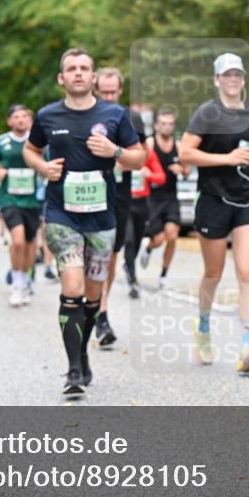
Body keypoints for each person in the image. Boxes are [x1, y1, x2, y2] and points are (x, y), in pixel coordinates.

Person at [24, 48, 145, 395]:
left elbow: (139, 158)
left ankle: (82, 355)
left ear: (93, 77)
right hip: (61, 213)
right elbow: (30, 150)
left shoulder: (115, 114)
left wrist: (116, 152)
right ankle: (74, 370)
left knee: (93, 295)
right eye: (71, 69)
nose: (78, 73)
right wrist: (42, 167)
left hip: (102, 217)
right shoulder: (48, 116)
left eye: (84, 68)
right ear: (62, 78)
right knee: (72, 288)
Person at [179, 52, 249, 372]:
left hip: (247, 200)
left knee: (246, 271)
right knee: (214, 273)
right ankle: (202, 328)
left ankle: (248, 343)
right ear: (217, 80)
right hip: (213, 200)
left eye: (238, 74)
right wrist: (227, 159)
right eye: (226, 75)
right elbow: (185, 152)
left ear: (243, 78)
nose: (233, 79)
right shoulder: (207, 113)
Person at [93, 67, 148, 345]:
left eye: (114, 91)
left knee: (109, 255)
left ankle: (101, 314)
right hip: (85, 193)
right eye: (104, 92)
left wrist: (118, 155)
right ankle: (87, 300)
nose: (110, 96)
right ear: (95, 90)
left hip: (119, 193)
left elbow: (142, 155)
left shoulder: (131, 117)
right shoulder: (85, 115)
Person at [0, 104, 42, 307]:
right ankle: (17, 283)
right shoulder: (0, 141)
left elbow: (46, 162)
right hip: (9, 198)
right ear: (10, 121)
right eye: (16, 117)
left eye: (24, 116)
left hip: (32, 199)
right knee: (17, 241)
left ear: (30, 120)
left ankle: (26, 279)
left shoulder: (38, 141)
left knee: (30, 245)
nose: (20, 120)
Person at [139, 108, 189, 287]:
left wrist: (182, 170)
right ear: (156, 125)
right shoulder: (150, 144)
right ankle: (149, 249)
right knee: (158, 239)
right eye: (164, 124)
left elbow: (187, 171)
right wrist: (146, 173)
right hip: (152, 198)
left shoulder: (179, 146)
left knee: (172, 235)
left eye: (170, 124)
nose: (167, 127)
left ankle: (164, 274)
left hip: (171, 196)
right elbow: (140, 165)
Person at [122, 127, 166, 298]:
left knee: (138, 239)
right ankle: (133, 281)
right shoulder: (121, 152)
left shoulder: (147, 155)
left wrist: (149, 175)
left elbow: (161, 177)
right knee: (129, 240)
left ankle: (129, 264)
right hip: (126, 202)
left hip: (142, 204)